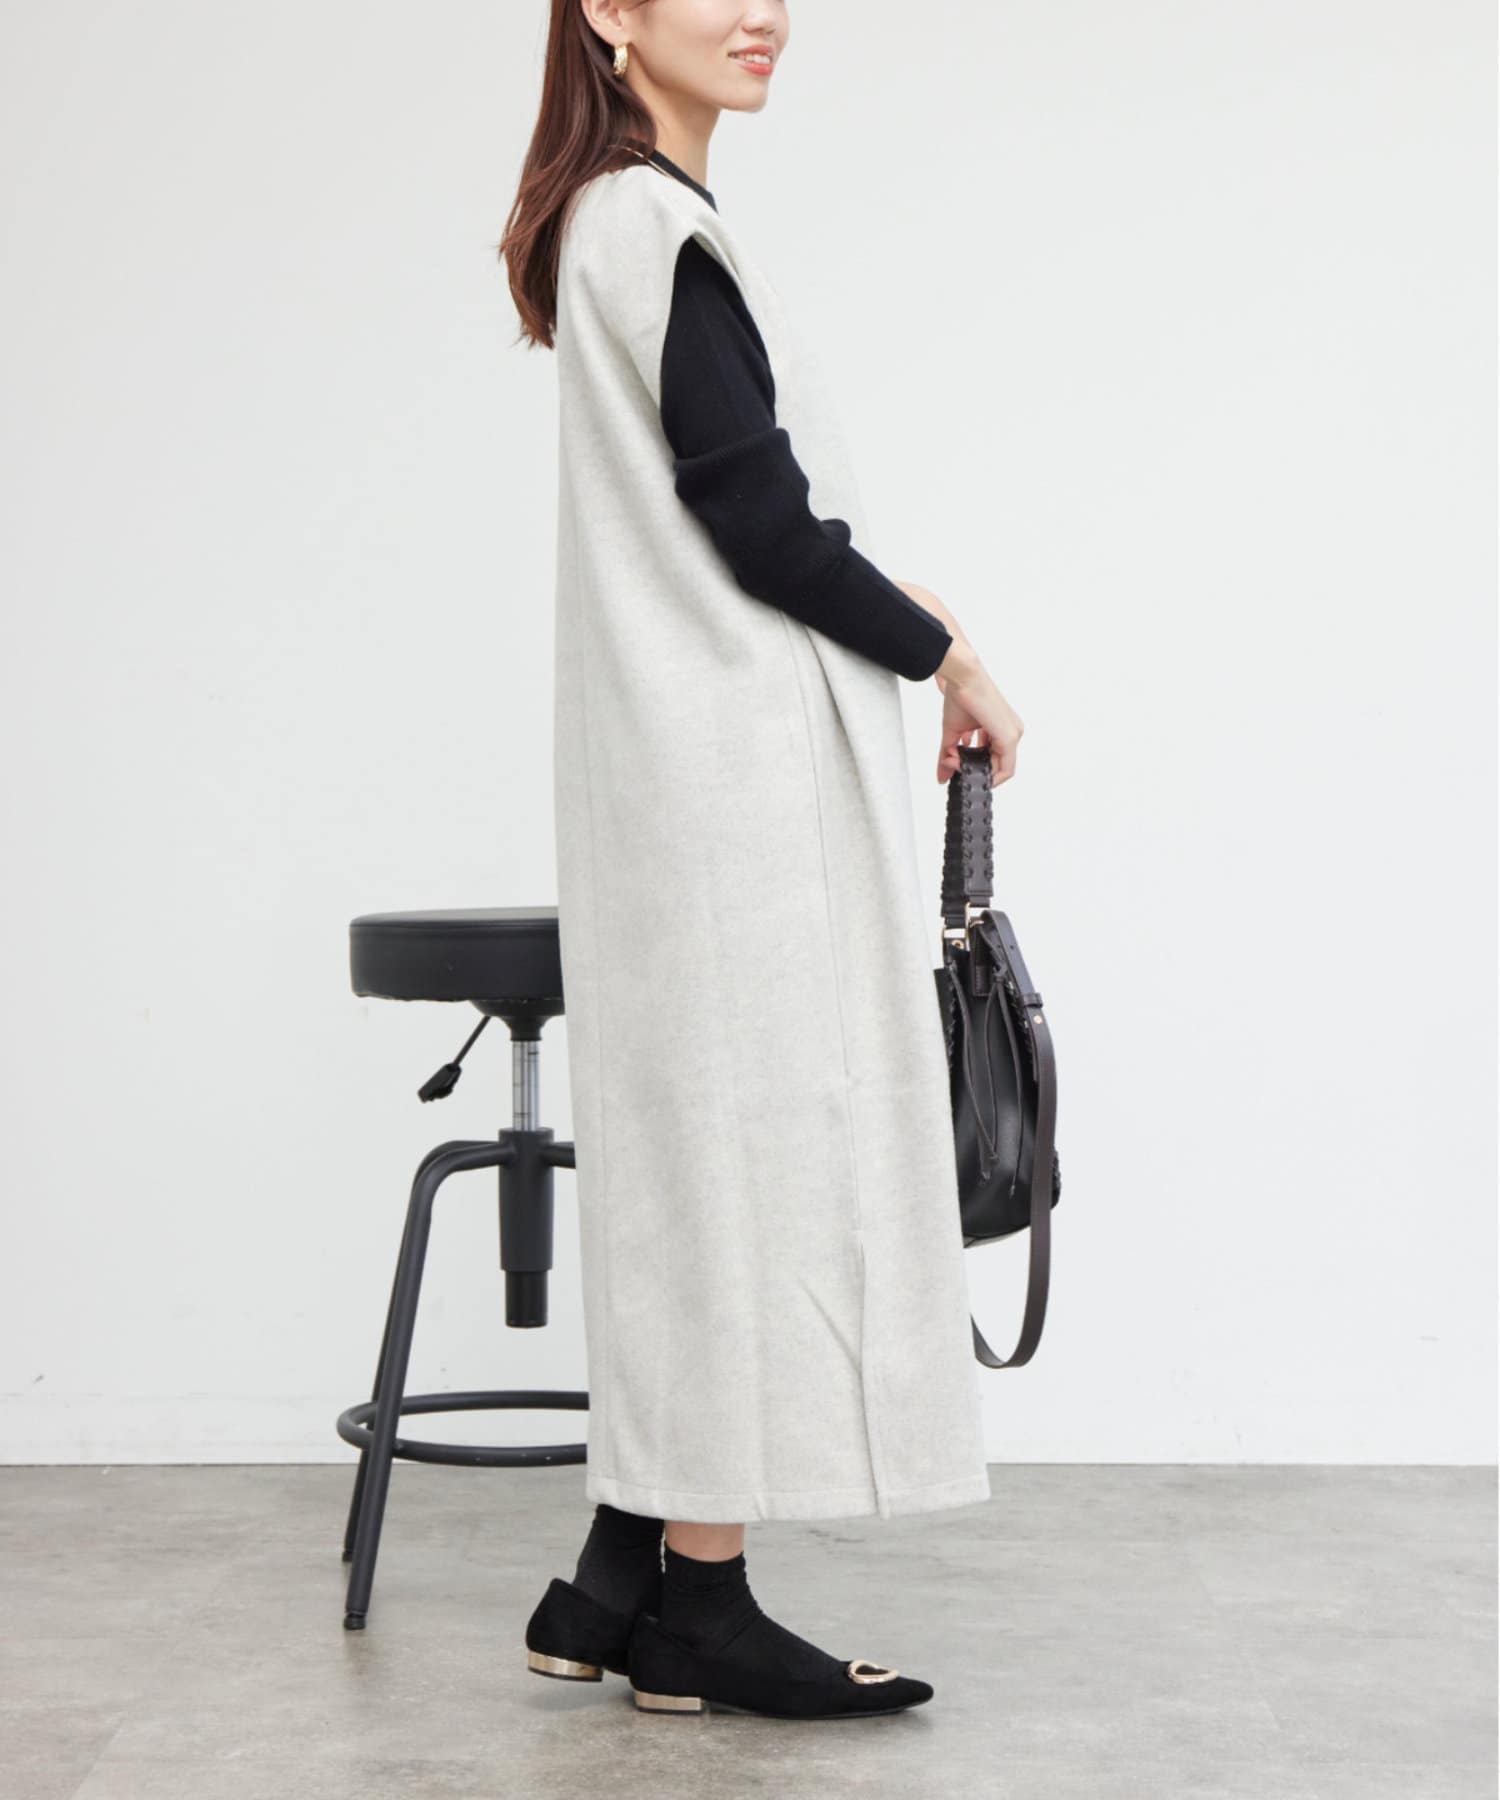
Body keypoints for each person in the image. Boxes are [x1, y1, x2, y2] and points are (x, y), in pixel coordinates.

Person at [498, 0, 1024, 1721]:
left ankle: (615, 1580)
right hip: (728, 793)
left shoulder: (614, 223)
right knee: (742, 1180)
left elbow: (734, 509)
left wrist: (896, 607)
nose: (762, 13)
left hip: (675, 780)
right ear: (608, 11)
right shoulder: (654, 226)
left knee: (693, 1162)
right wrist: (943, 654)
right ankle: (703, 1611)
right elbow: (760, 521)